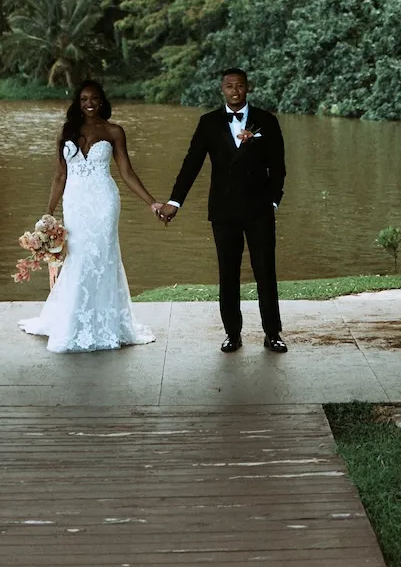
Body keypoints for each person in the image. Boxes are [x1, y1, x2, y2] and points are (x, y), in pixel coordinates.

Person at [20, 80, 159, 353]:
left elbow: (127, 172)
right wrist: (48, 214)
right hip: (75, 204)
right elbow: (60, 175)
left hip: (104, 203)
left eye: (94, 98)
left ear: (102, 101)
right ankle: (73, 321)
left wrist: (152, 202)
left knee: (102, 258)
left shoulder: (114, 131)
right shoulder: (67, 131)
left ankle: (104, 325)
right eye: (84, 99)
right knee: (78, 258)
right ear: (78, 102)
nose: (89, 103)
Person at [156, 68, 287, 354]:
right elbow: (192, 164)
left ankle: (273, 333)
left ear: (248, 88)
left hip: (259, 210)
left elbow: (278, 166)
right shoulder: (208, 123)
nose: (235, 91)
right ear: (222, 89)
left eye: (239, 86)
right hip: (223, 211)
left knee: (265, 271)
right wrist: (175, 202)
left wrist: (273, 200)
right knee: (228, 273)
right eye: (229, 86)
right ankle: (232, 334)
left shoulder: (266, 121)